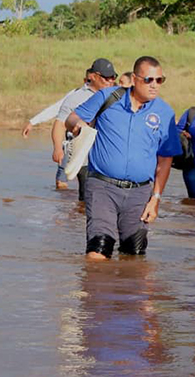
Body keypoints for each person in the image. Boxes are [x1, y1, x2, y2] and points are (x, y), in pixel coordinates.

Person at [65, 56, 181, 260]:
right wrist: (78, 125)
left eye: (159, 80)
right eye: (149, 80)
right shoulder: (108, 97)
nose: (154, 85)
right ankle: (94, 290)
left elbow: (165, 159)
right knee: (98, 250)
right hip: (102, 186)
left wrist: (155, 198)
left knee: (134, 256)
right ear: (135, 79)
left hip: (140, 192)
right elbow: (72, 118)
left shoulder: (164, 112)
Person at [51, 59, 117, 195]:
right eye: (106, 78)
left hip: (108, 157)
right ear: (93, 76)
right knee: (88, 198)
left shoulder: (117, 96)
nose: (110, 81)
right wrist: (57, 148)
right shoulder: (76, 98)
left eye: (113, 77)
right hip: (84, 158)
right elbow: (60, 123)